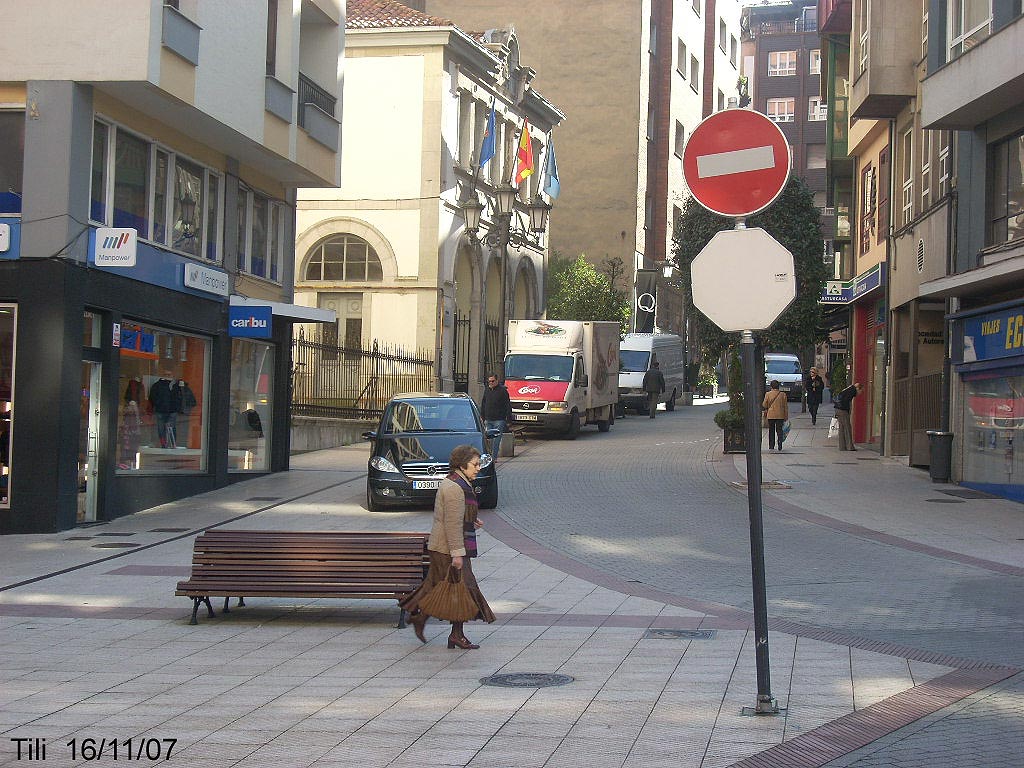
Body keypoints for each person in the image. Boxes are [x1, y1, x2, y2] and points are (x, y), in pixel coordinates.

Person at [402, 444, 495, 649]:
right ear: (462, 465)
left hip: (444, 547)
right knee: (464, 588)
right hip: (448, 549)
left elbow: (456, 514)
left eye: (478, 464)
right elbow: (452, 524)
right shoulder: (454, 488)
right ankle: (450, 632)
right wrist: (457, 555)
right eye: (475, 464)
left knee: (446, 588)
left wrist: (471, 519)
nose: (478, 468)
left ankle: (432, 623)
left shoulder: (458, 481)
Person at [480, 374, 512, 455]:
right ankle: (489, 456)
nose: (491, 383)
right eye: (489, 381)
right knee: (488, 441)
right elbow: (483, 404)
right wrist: (482, 416)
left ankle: (494, 458)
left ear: (497, 381)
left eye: (492, 381)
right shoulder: (487, 390)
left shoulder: (503, 391)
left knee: (496, 441)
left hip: (499, 419)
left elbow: (507, 405)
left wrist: (509, 419)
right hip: (488, 419)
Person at [762, 380, 789, 452]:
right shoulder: (783, 394)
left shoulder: (768, 394)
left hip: (771, 415)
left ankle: (771, 445)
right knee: (779, 430)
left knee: (771, 430)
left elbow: (764, 404)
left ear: (771, 386)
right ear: (778, 386)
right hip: (780, 415)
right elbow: (785, 407)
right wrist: (786, 416)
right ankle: (780, 443)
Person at [834, 382, 862, 451]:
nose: (860, 393)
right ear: (858, 388)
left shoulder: (848, 389)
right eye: (861, 391)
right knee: (847, 428)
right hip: (842, 410)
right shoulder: (852, 391)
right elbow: (845, 401)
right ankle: (850, 446)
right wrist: (847, 410)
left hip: (837, 409)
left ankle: (842, 446)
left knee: (842, 428)